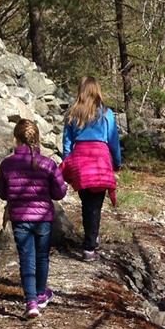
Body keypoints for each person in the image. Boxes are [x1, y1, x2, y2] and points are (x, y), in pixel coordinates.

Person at [0, 119, 67, 319]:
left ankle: (31, 302)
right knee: (42, 256)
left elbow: (2, 193)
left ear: (15, 139)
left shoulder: (7, 164)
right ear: (37, 139)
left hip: (19, 217)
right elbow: (60, 192)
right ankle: (41, 293)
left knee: (26, 259)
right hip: (43, 217)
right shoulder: (47, 163)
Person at [61, 76, 122, 262]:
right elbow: (113, 141)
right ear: (97, 91)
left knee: (88, 203)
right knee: (94, 205)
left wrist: (67, 163)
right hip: (100, 161)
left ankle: (92, 237)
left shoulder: (73, 113)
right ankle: (89, 247)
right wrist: (117, 162)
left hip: (80, 161)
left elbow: (67, 142)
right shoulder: (106, 114)